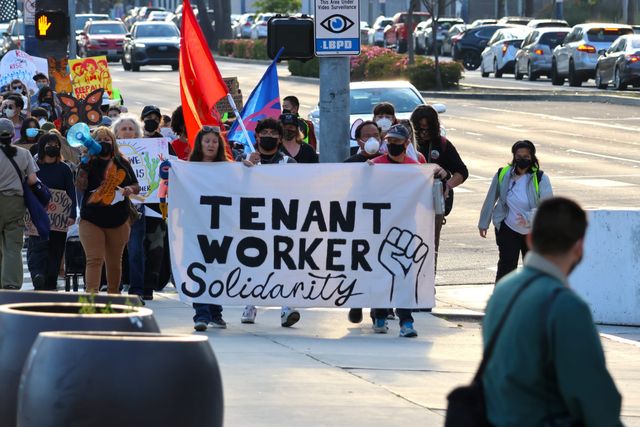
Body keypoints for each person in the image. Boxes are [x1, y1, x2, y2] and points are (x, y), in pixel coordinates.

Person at [481, 197, 622, 426]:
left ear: (530, 238)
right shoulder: (566, 307)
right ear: (578, 247)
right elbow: (595, 399)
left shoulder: (503, 291)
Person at [369, 124, 448, 337]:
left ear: (406, 144)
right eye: (390, 141)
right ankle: (380, 314)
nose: (393, 145)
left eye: (397, 142)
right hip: (380, 228)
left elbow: (427, 200)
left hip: (406, 229)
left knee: (404, 274)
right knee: (381, 272)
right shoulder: (375, 165)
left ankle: (406, 321)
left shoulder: (415, 169)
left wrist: (438, 175)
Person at [238, 118, 300, 327]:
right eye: (264, 132)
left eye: (273, 134)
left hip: (281, 221)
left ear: (280, 138)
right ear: (256, 137)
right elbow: (231, 187)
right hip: (252, 222)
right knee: (252, 263)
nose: (268, 137)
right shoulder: (244, 159)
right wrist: (244, 169)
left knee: (284, 264)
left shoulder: (289, 164)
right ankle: (250, 305)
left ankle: (287, 308)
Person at [75, 126, 140, 294]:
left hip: (118, 219)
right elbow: (81, 186)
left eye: (107, 139)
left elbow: (136, 185)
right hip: (91, 219)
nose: (103, 143)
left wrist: (130, 190)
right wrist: (84, 163)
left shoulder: (121, 162)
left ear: (113, 142)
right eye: (99, 140)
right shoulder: (88, 161)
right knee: (94, 259)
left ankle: (113, 297)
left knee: (114, 262)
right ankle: (91, 298)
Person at [479, 140, 553, 283]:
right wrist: (484, 222)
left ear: (532, 157)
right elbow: (491, 198)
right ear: (514, 156)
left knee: (532, 270)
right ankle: (502, 300)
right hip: (507, 227)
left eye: (526, 156)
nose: (522, 159)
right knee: (506, 267)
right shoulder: (503, 174)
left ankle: (531, 300)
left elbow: (548, 208)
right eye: (519, 156)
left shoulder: (540, 178)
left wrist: (529, 217)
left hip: (532, 231)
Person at [411, 105, 468, 270]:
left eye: (427, 128)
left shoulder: (442, 144)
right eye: (420, 129)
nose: (424, 133)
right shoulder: (406, 145)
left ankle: (428, 283)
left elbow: (462, 171)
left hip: (434, 203)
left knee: (430, 246)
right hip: (408, 203)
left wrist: (447, 185)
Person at [188, 126, 229, 330]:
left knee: (216, 269)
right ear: (200, 144)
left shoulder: (228, 168)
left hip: (220, 227)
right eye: (207, 141)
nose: (211, 145)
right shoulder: (189, 169)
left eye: (214, 141)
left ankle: (215, 312)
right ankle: (201, 315)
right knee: (199, 269)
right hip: (196, 226)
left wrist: (248, 167)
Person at [26, 133, 77, 290]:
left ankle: (50, 280)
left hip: (59, 218)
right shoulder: (34, 167)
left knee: (56, 249)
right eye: (49, 145)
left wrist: (72, 214)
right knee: (36, 247)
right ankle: (37, 275)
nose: (52, 148)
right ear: (42, 148)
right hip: (37, 215)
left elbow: (71, 192)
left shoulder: (65, 169)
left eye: (56, 145)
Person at [0, 118, 38, 289]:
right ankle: (11, 284)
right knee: (13, 245)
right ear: (12, 134)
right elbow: (32, 180)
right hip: (14, 202)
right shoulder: (24, 153)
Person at [113, 115, 146, 299]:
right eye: (123, 129)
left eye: (130, 129)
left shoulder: (145, 151)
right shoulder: (109, 152)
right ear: (116, 133)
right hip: (113, 207)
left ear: (137, 133)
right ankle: (113, 287)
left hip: (137, 207)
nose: (126, 132)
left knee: (135, 250)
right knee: (113, 250)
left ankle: (137, 290)